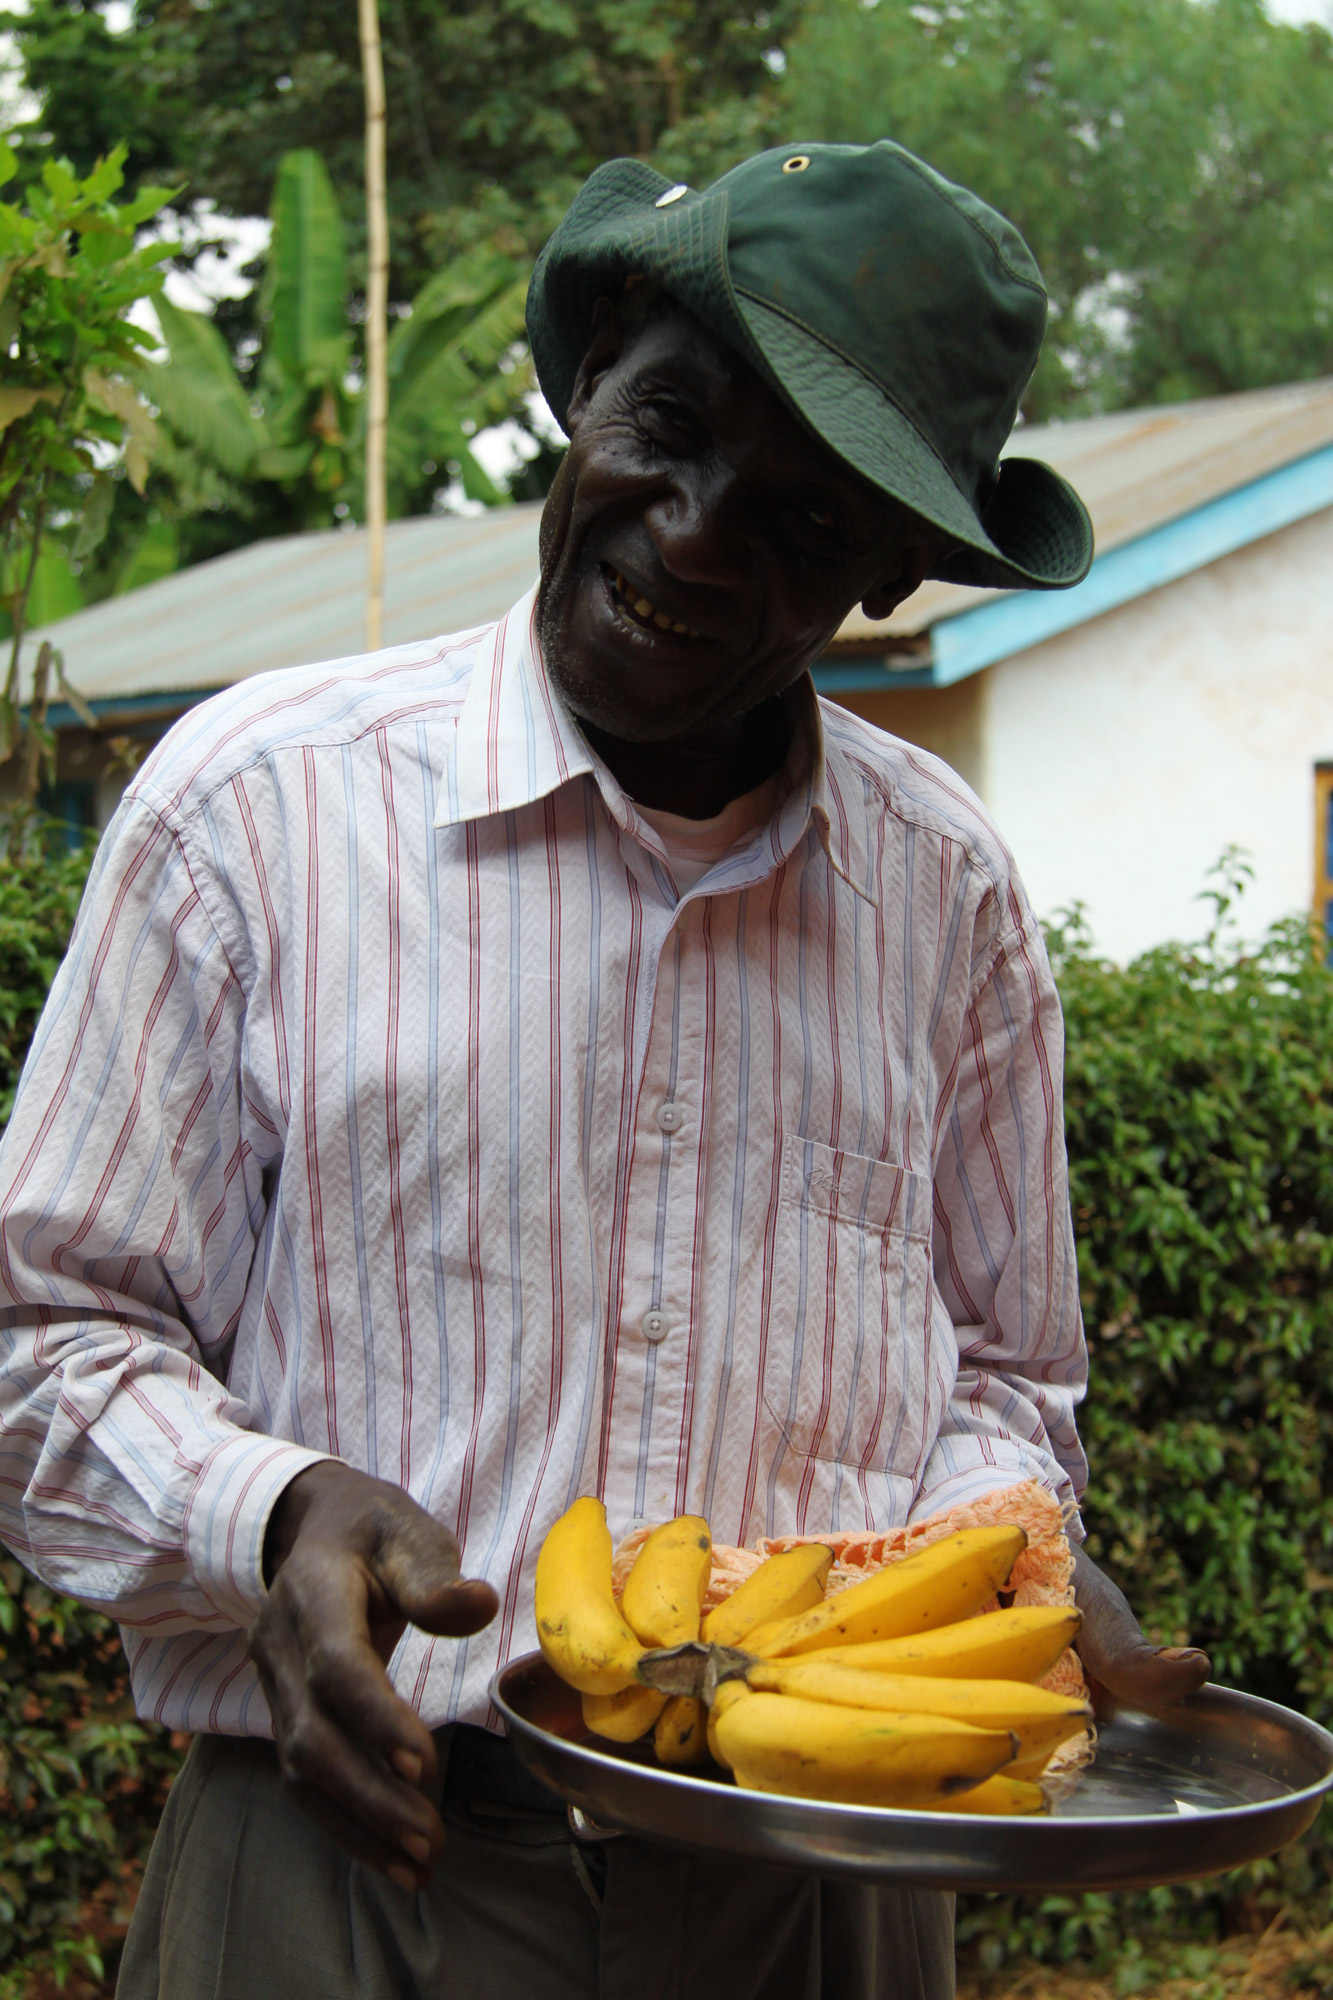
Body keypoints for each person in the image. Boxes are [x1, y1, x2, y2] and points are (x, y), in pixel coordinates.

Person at [0, 140, 1207, 2000]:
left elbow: (1000, 1374)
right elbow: (41, 1344)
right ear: (587, 380)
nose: (697, 529)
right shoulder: (258, 811)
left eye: (806, 525)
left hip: (821, 1886)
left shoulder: (942, 894)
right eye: (670, 424)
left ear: (889, 576)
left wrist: (1005, 1546)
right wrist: (274, 1512)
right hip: (343, 1872)